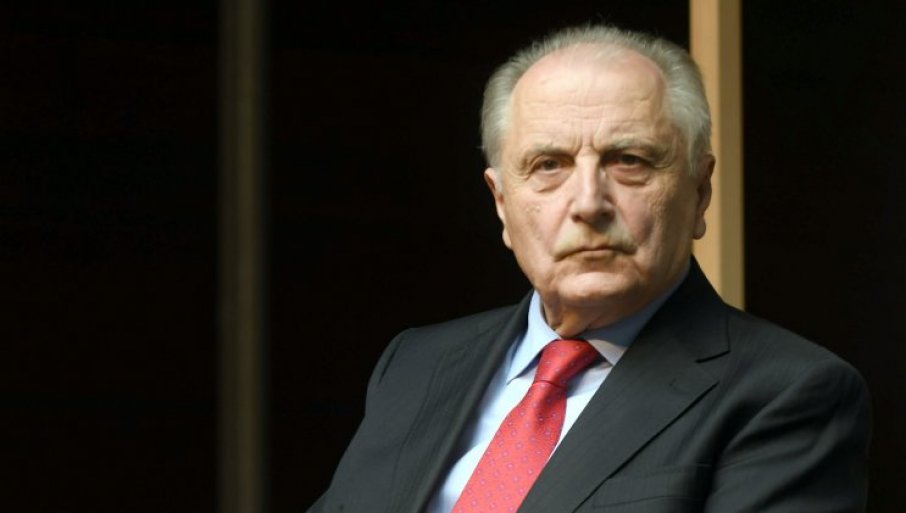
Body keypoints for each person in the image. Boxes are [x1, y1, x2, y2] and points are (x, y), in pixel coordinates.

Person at [307, 24, 871, 513]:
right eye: (548, 165)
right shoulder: (415, 365)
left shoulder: (788, 394)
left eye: (629, 161)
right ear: (502, 204)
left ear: (699, 193)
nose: (588, 203)